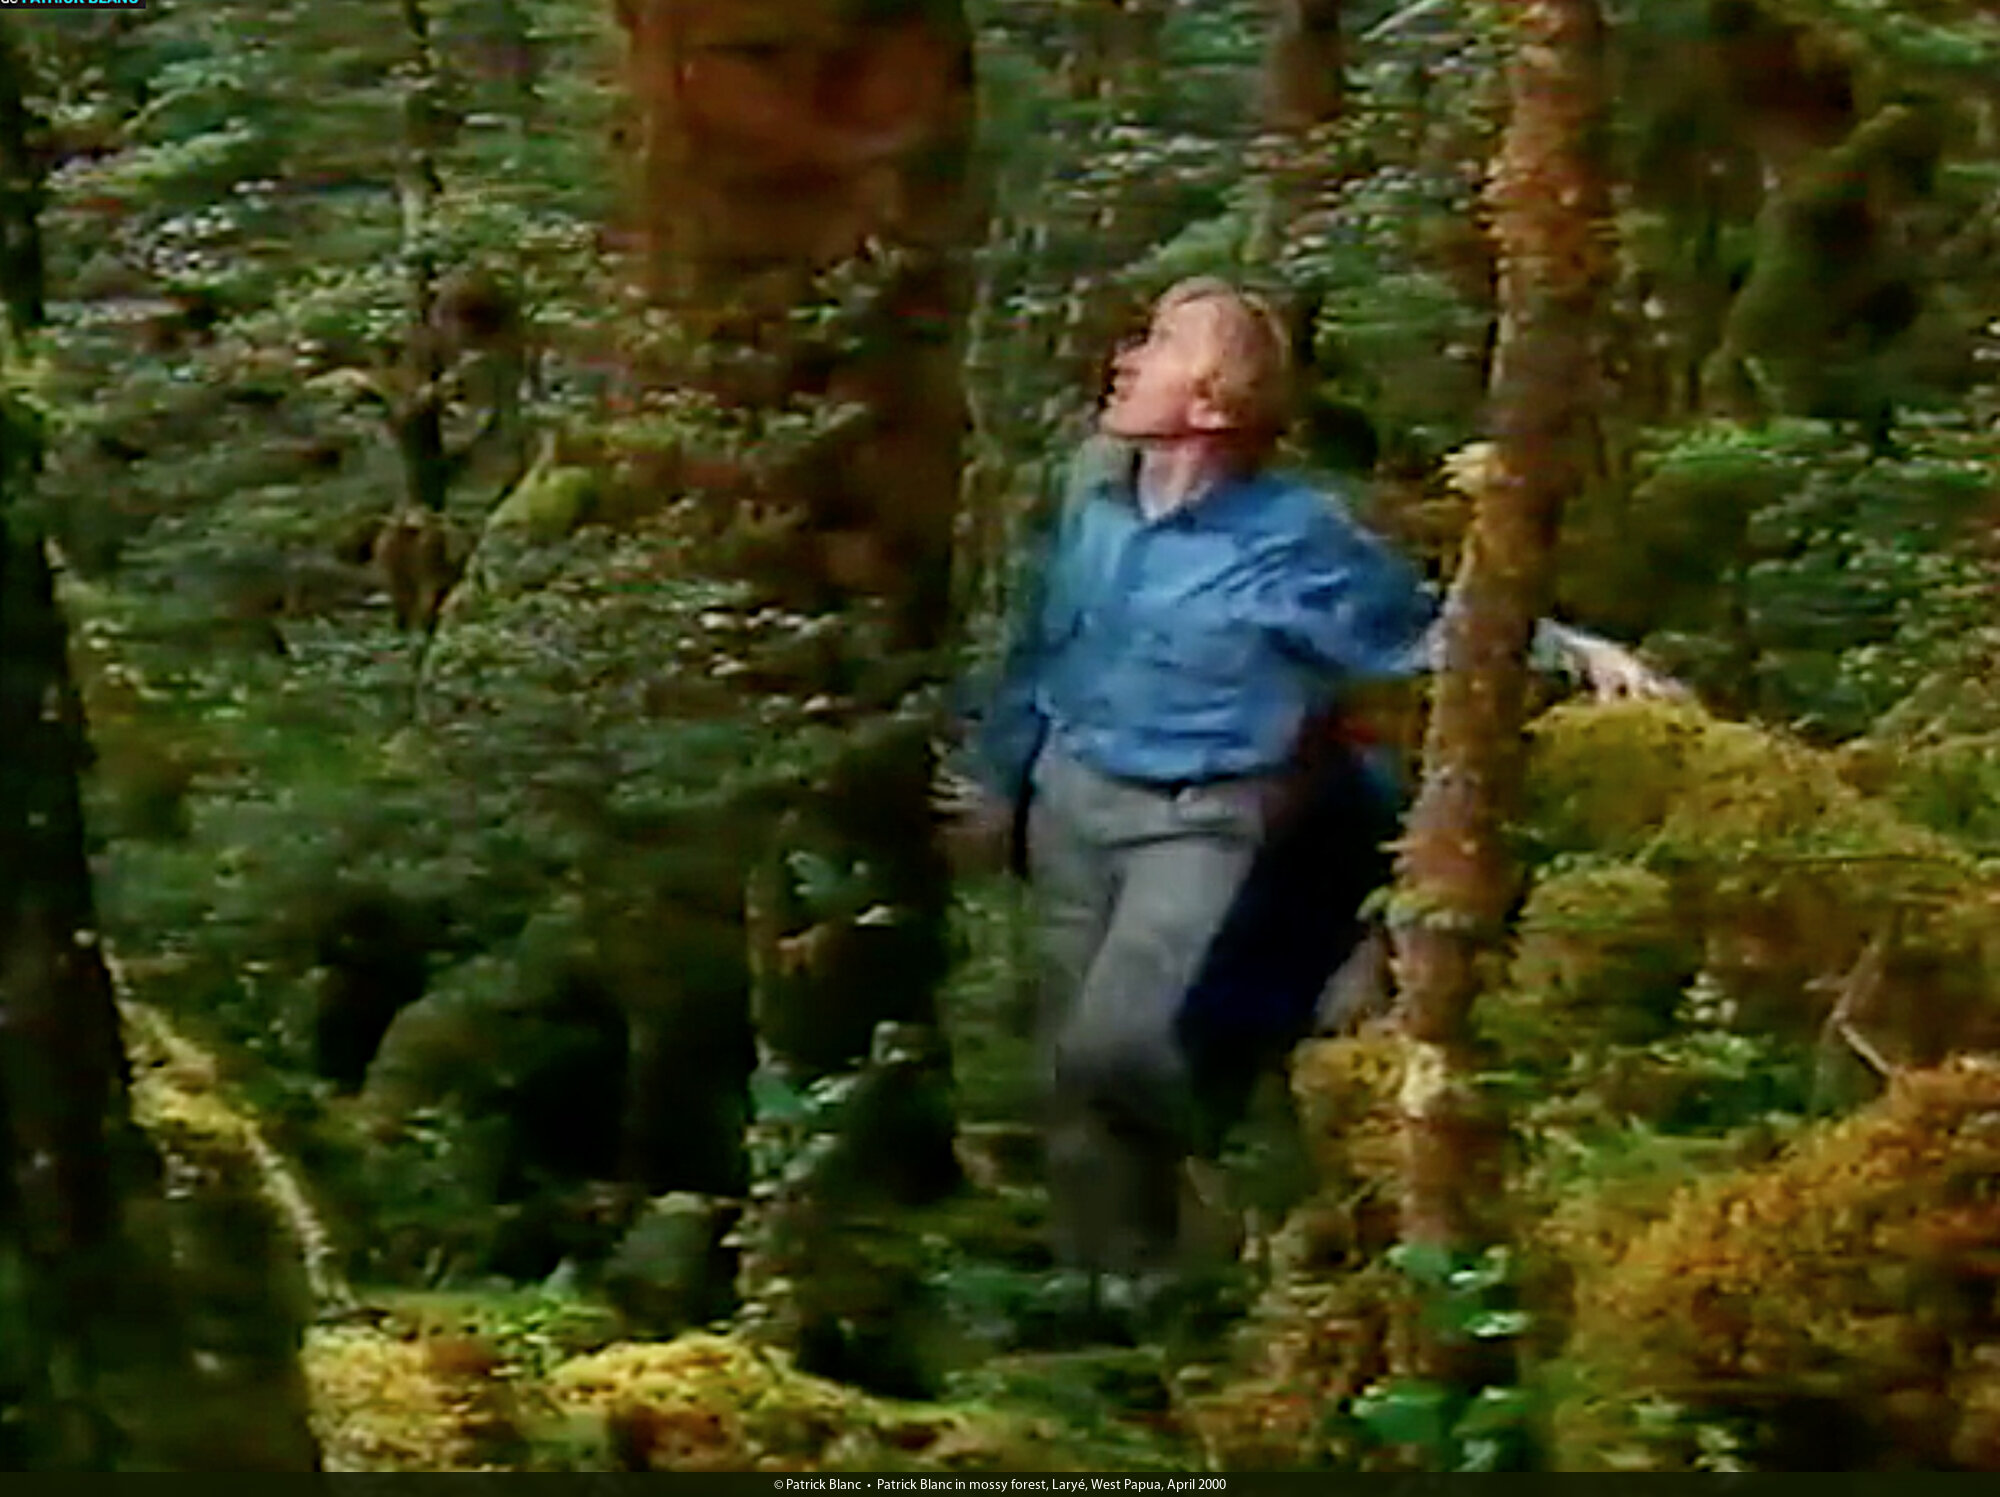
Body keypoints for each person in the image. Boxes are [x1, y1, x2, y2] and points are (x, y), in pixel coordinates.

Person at [946, 276, 1669, 1321]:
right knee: (1067, 1062)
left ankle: (1219, 1230)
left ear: (1213, 404)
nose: (1125, 359)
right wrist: (994, 777)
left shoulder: (1295, 537)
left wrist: (1572, 649)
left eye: (1159, 345)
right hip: (1071, 797)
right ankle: (1105, 1288)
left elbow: (1424, 628)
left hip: (1200, 815)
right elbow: (1041, 651)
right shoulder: (1095, 503)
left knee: (1121, 1043)